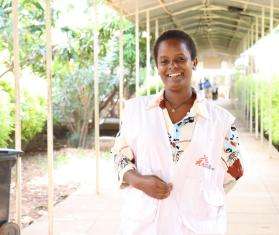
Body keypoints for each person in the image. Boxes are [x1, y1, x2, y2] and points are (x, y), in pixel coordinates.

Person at [112, 30, 243, 235]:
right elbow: (119, 156)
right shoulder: (135, 111)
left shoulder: (221, 121)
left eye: (180, 59)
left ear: (194, 62)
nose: (172, 66)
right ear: (158, 67)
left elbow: (234, 171)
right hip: (145, 223)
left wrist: (200, 189)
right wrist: (138, 181)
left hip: (198, 223)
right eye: (164, 61)